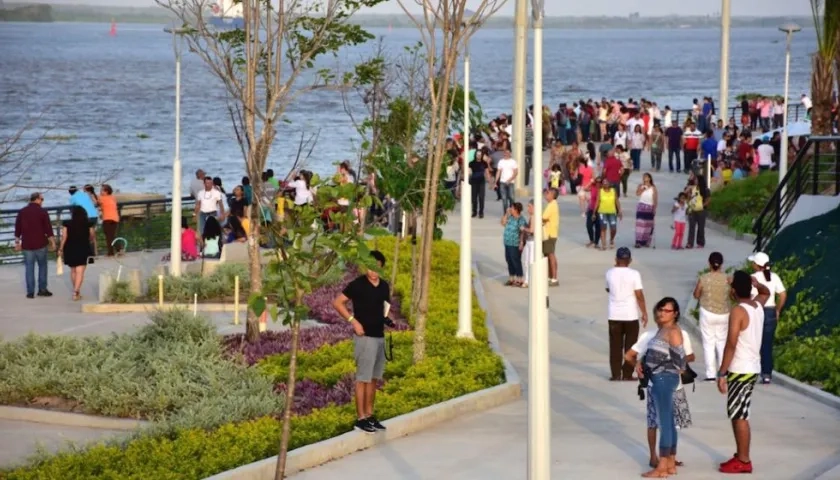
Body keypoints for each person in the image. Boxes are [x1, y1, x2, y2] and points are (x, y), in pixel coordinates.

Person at [626, 297, 690, 476]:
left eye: (667, 310)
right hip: (659, 379)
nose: (662, 313)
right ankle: (669, 463)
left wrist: (664, 368)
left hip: (664, 379)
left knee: (665, 423)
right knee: (668, 421)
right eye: (660, 309)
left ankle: (662, 466)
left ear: (675, 313)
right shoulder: (662, 331)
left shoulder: (673, 331)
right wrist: (642, 362)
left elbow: (681, 361)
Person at [332, 250, 394, 434]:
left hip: (380, 337)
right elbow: (338, 303)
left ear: (381, 267)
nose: (373, 271)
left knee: (374, 379)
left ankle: (369, 415)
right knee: (363, 378)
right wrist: (353, 322)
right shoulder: (357, 285)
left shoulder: (384, 286)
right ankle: (360, 418)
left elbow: (383, 308)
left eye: (376, 267)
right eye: (370, 267)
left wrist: (387, 320)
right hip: (364, 337)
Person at [717, 271, 772, 474]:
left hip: (740, 369)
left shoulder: (738, 311)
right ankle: (740, 454)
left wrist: (722, 372)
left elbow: (731, 343)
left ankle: (744, 460)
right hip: (751, 368)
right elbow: (766, 292)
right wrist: (757, 284)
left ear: (733, 291)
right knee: (737, 412)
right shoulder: (757, 305)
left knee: (740, 415)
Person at [605, 247, 648, 381]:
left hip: (614, 315)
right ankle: (627, 374)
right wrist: (644, 312)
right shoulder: (634, 274)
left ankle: (616, 374)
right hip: (630, 315)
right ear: (629, 260)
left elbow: (608, 289)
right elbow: (639, 295)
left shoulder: (609, 273)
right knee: (631, 346)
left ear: (616, 259)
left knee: (615, 346)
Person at [748, 252, 787, 384]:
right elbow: (782, 295)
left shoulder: (753, 278)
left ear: (756, 265)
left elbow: (751, 297)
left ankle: (752, 371)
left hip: (758, 311)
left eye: (753, 262)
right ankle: (766, 374)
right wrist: (777, 310)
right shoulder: (774, 277)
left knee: (753, 343)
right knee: (767, 344)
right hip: (770, 311)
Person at [693, 251, 732, 381]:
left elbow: (696, 295)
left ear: (709, 263)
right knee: (722, 342)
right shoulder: (728, 278)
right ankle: (723, 371)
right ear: (721, 264)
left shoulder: (704, 278)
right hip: (724, 313)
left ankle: (710, 374)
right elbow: (733, 295)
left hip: (707, 312)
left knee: (708, 343)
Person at [14, 192, 55, 299]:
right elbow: (48, 229)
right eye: (42, 199)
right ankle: (42, 289)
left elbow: (18, 228)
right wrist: (53, 242)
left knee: (29, 268)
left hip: (27, 244)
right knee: (42, 267)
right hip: (41, 243)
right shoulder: (42, 212)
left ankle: (30, 292)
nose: (42, 202)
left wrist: (17, 242)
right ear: (37, 199)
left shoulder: (22, 212)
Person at [59, 206, 94, 301]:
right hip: (83, 247)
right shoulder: (88, 224)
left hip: (70, 248)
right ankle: (76, 292)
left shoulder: (67, 223)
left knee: (73, 270)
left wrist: (61, 249)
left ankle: (76, 290)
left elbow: (64, 237)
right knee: (80, 271)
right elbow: (92, 236)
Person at [501, 202, 527, 287]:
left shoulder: (521, 219)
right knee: (509, 260)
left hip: (515, 243)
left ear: (516, 210)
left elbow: (522, 232)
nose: (510, 209)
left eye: (511, 208)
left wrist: (521, 242)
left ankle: (519, 278)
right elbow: (503, 223)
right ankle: (511, 278)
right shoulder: (511, 217)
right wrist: (506, 213)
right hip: (508, 242)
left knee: (515, 260)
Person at [593, 179, 622, 251]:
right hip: (602, 212)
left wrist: (620, 211)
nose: (605, 184)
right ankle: (604, 244)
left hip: (612, 212)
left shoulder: (613, 191)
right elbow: (597, 202)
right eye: (603, 183)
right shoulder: (600, 191)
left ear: (609, 184)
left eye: (607, 183)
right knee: (603, 228)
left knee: (613, 228)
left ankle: (611, 239)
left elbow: (617, 201)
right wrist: (594, 213)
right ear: (602, 184)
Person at [684, 176, 709, 249]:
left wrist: (702, 206)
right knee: (691, 227)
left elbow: (708, 200)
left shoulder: (705, 190)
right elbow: (687, 197)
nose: (695, 181)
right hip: (692, 210)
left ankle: (700, 242)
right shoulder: (692, 188)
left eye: (696, 180)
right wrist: (688, 192)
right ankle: (690, 243)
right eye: (695, 180)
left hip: (701, 210)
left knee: (701, 227)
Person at [541, 188, 560, 286]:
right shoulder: (552, 204)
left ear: (553, 195)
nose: (546, 195)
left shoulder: (552, 205)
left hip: (549, 234)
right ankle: (550, 276)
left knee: (550, 255)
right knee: (547, 255)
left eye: (548, 193)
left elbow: (543, 218)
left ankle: (554, 278)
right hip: (549, 233)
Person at [634, 173, 658, 248]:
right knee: (640, 224)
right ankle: (638, 241)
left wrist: (654, 208)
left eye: (646, 177)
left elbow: (655, 198)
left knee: (648, 225)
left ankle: (646, 241)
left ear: (650, 178)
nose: (645, 178)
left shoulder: (653, 187)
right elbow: (637, 193)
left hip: (649, 207)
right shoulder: (640, 185)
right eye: (644, 177)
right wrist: (642, 189)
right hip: (641, 206)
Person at [494, 148, 518, 215]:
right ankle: (505, 214)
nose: (506, 154)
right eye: (505, 153)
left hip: (510, 182)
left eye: (508, 153)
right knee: (504, 199)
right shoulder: (501, 162)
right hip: (502, 182)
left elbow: (516, 172)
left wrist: (509, 180)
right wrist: (495, 182)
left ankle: (512, 213)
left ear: (510, 153)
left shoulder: (513, 162)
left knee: (512, 198)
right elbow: (498, 172)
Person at [99, 184, 120, 256]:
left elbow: (96, 202)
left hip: (107, 219)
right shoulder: (113, 197)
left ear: (106, 192)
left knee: (108, 236)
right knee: (112, 235)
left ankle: (111, 252)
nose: (100, 192)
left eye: (102, 190)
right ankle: (118, 250)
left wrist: (91, 193)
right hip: (115, 218)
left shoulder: (102, 198)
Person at [469, 150, 489, 218]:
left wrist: (490, 181)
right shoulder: (471, 163)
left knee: (481, 197)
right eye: (477, 154)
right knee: (474, 198)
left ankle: (481, 212)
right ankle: (474, 211)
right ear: (475, 155)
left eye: (480, 155)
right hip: (473, 181)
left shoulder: (484, 163)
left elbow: (487, 172)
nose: (479, 156)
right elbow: (469, 172)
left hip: (481, 182)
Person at [520, 200, 535, 288]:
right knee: (526, 261)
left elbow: (532, 230)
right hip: (529, 241)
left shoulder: (533, 217)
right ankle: (527, 279)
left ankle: (529, 280)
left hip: (532, 242)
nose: (528, 208)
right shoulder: (531, 217)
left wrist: (524, 228)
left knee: (530, 261)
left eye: (529, 206)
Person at [585, 177, 602, 248]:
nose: (598, 183)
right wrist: (591, 182)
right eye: (597, 182)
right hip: (591, 209)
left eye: (600, 182)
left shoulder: (602, 190)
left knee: (598, 227)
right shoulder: (593, 187)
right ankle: (591, 240)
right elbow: (585, 188)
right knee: (589, 225)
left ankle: (596, 242)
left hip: (600, 210)